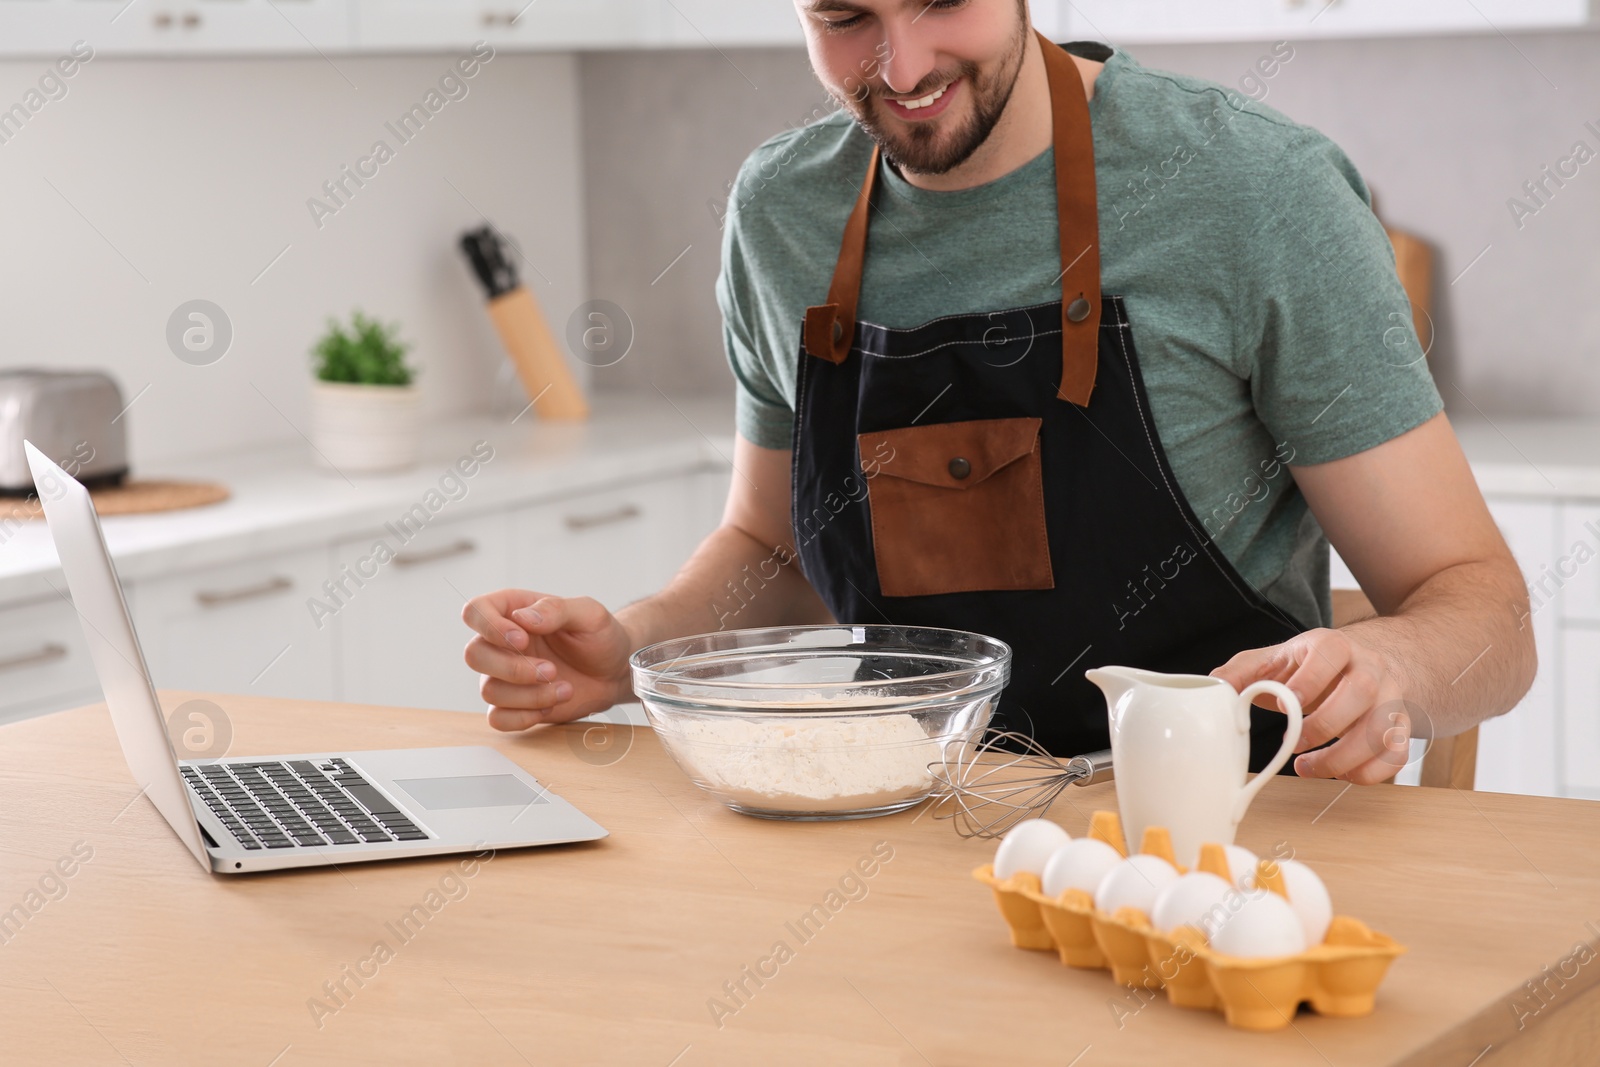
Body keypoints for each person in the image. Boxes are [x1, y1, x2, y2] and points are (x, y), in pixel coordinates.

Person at [462, 0, 1534, 785]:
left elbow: (1484, 609)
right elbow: (775, 547)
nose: (903, 63)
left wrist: (1389, 664)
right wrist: (631, 648)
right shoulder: (783, 212)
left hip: (1225, 844)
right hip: (896, 830)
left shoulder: (1252, 193)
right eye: (845, 19)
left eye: (939, 2)